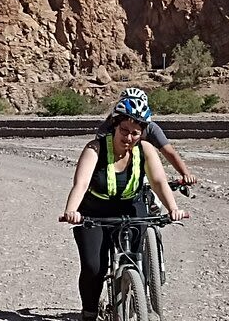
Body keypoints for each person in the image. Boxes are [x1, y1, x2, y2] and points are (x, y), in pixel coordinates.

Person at [61, 97, 186, 321]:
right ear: (114, 126)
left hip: (131, 209)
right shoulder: (95, 148)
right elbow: (80, 184)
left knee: (132, 258)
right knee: (93, 268)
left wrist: (173, 208)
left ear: (143, 133)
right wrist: (71, 210)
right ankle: (89, 312)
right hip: (95, 212)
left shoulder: (146, 150)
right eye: (124, 130)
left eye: (135, 132)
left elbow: (158, 182)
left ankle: (127, 298)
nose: (128, 137)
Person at [97, 87, 197, 185]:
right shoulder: (107, 127)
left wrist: (185, 174)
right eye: (124, 130)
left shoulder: (151, 128)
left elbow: (169, 152)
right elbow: (98, 155)